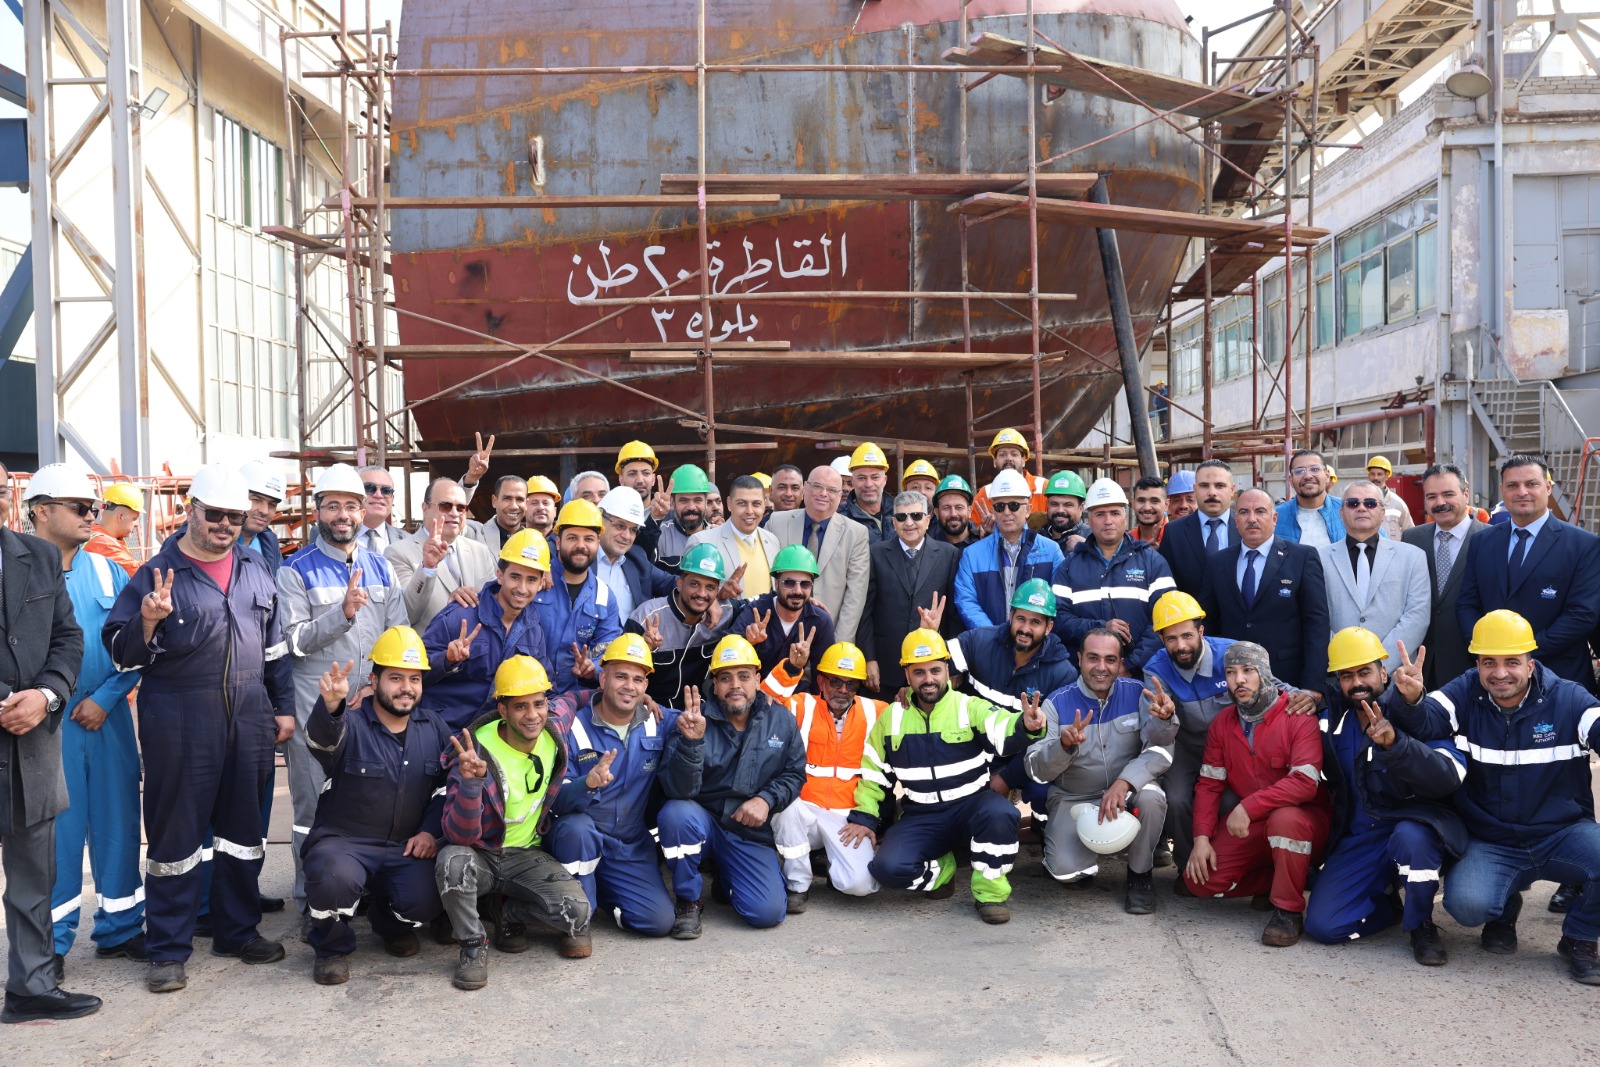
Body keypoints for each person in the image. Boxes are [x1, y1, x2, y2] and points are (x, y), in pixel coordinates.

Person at [104, 465, 296, 993]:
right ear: (191, 510)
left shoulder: (256, 569)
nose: (225, 525)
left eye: (234, 516)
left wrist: (282, 707)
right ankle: (168, 949)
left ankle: (237, 931)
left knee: (243, 835)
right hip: (181, 721)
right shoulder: (156, 574)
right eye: (215, 514)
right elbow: (121, 654)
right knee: (176, 838)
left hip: (250, 716)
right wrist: (147, 620)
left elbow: (276, 649)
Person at [1385, 612, 1600, 985]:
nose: (1500, 673)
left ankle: (1579, 937)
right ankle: (1505, 906)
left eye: (1511, 662)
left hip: (1561, 834)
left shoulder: (1568, 698)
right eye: (1489, 662)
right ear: (1477, 664)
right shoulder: (1465, 691)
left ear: (1530, 664)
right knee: (1467, 906)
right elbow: (1425, 722)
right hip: (1492, 840)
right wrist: (1412, 698)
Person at [25, 469, 146, 978]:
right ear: (41, 510)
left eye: (93, 508)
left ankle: (121, 928)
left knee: (119, 823)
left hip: (107, 717)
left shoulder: (109, 572)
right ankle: (49, 945)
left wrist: (107, 698)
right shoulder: (16, 572)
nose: (91, 516)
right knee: (58, 836)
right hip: (46, 726)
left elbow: (139, 644)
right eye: (79, 507)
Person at [277, 463, 410, 923]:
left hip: (369, 710)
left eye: (351, 506)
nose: (342, 515)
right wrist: (343, 614)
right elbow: (294, 640)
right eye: (332, 505)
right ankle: (311, 902)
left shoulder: (381, 567)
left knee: (367, 803)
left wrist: (375, 685)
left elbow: (398, 636)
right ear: (317, 511)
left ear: (362, 511)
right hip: (315, 711)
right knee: (311, 809)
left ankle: (361, 895)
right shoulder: (294, 570)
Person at [843, 629, 1046, 924]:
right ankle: (943, 871)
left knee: (1002, 814)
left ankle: (990, 894)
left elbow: (1002, 727)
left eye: (935, 670)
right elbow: (874, 773)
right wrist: (864, 817)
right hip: (921, 815)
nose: (928, 679)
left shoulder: (968, 706)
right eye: (919, 672)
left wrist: (1026, 725)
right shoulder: (891, 718)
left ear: (947, 670)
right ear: (907, 675)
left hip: (972, 807)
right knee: (887, 869)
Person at [0, 463, 100, 1024]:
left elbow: (68, 637)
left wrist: (45, 695)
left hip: (32, 744)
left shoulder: (37, 557)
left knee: (33, 879)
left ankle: (31, 987)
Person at [1301, 628, 1465, 965]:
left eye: (1364, 672)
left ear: (1383, 673)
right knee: (1323, 927)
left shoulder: (1416, 712)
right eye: (1346, 676)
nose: (1357, 682)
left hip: (1414, 827)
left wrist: (1396, 745)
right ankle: (1389, 905)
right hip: (1362, 837)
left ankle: (1421, 925)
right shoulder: (1333, 723)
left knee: (1411, 838)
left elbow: (1447, 778)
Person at [299, 629, 450, 986]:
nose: (406, 688)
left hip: (404, 846)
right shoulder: (349, 723)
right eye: (395, 678)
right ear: (374, 679)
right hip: (345, 843)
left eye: (414, 679)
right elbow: (322, 742)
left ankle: (389, 923)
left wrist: (429, 831)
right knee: (333, 878)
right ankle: (331, 948)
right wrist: (331, 706)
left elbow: (445, 789)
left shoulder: (434, 728)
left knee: (427, 898)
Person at [437, 656, 592, 988]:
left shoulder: (554, 727)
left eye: (539, 703)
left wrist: (638, 697)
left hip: (525, 854)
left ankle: (507, 912)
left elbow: (576, 697)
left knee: (578, 913)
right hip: (481, 853)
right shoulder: (475, 753)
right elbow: (458, 836)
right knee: (452, 862)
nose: (532, 715)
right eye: (520, 706)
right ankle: (473, 945)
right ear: (503, 710)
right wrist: (471, 785)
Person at [1183, 642, 1334, 947]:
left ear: (1264, 673)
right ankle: (1282, 879)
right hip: (1254, 824)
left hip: (1304, 820)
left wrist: (1248, 807)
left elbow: (1304, 783)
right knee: (1199, 881)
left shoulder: (1297, 715)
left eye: (1248, 671)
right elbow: (1209, 784)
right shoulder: (1222, 723)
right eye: (1230, 672)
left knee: (1285, 820)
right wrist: (1201, 839)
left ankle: (1287, 911)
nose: (1238, 679)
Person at [657, 636, 808, 937]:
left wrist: (766, 799)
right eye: (725, 678)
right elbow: (678, 791)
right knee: (676, 814)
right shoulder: (694, 720)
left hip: (747, 830)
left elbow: (794, 773)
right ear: (714, 685)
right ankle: (688, 899)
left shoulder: (781, 720)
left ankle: (726, 876)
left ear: (758, 680)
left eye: (744, 676)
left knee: (766, 914)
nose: (735, 685)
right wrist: (691, 743)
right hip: (703, 823)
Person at [1025, 630, 1178, 913]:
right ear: (1079, 659)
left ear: (1120, 663)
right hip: (1075, 799)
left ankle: (1140, 875)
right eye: (1093, 658)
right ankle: (1074, 850)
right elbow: (1036, 770)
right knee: (1065, 871)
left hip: (1127, 794)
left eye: (1110, 659)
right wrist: (1062, 746)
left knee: (1152, 797)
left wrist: (1126, 781)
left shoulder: (1139, 693)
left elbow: (1161, 750)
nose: (1101, 667)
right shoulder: (1056, 703)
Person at [547, 634, 679, 938]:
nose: (629, 686)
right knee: (577, 828)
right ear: (603, 678)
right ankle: (577, 919)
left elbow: (706, 723)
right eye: (620, 676)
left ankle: (603, 892)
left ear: (646, 687)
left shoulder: (658, 721)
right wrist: (587, 784)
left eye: (637, 679)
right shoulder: (572, 725)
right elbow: (556, 800)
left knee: (659, 922)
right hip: (578, 840)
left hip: (628, 847)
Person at [1456, 454, 1600, 692]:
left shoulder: (1583, 545)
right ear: (1503, 490)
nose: (1522, 492)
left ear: (1548, 487)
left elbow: (1582, 615)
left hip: (1559, 680)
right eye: (1513, 485)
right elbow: (1467, 604)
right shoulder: (1482, 541)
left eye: (1531, 484)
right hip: (1494, 680)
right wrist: (1488, 652)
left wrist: (1519, 654)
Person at [762, 638, 884, 910]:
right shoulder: (802, 706)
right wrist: (791, 668)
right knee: (785, 808)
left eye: (851, 684)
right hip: (803, 810)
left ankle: (832, 865)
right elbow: (764, 700)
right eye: (835, 681)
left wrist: (906, 695)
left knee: (860, 885)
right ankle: (797, 885)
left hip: (846, 817)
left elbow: (910, 712)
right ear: (821, 682)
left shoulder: (874, 711)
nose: (843, 690)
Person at [1198, 487, 1330, 691]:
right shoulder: (1218, 562)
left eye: (1260, 511)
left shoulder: (1302, 558)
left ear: (1274, 518)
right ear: (1235, 520)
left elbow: (1317, 624)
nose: (1252, 519)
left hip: (1288, 680)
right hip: (1233, 681)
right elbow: (1208, 622)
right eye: (1244, 512)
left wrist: (1313, 686)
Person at [423, 530, 554, 731]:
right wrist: (446, 660)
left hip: (492, 736)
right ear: (500, 576)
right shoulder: (460, 616)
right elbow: (414, 673)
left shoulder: (533, 631)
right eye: (515, 577)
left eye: (531, 580)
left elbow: (544, 685)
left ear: (541, 583)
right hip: (442, 731)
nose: (522, 588)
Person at [1051, 478, 1175, 673]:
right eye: (1100, 514)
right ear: (1089, 519)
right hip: (1086, 675)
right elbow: (1057, 620)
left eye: (1115, 513)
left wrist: (1130, 665)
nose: (1108, 521)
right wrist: (1100, 627)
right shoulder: (1070, 566)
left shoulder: (1152, 562)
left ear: (1125, 516)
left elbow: (1167, 618)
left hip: (1141, 675)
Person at [1316, 480, 1431, 671]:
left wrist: (1379, 666)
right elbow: (1316, 617)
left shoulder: (1413, 557)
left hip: (1395, 673)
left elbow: (1417, 616)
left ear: (1382, 513)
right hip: (1339, 671)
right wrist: (1347, 663)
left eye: (1370, 503)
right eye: (1353, 503)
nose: (1361, 508)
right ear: (1341, 514)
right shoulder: (1319, 558)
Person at [860, 492, 959, 697]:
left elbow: (954, 615)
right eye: (901, 517)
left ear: (928, 520)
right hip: (885, 669)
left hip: (931, 668)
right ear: (893, 522)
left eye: (916, 515)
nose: (909, 523)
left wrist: (954, 664)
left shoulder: (949, 554)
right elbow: (865, 611)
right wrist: (869, 659)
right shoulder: (875, 553)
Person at [1401, 462, 1486, 688]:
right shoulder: (1411, 538)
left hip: (1472, 662)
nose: (1440, 502)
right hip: (1422, 666)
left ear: (1466, 494)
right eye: (1432, 496)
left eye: (1448, 494)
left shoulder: (1491, 539)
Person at [765, 465, 871, 644]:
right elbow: (767, 579)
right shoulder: (776, 522)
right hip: (777, 633)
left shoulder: (856, 533)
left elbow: (855, 595)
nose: (823, 493)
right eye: (817, 486)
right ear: (805, 488)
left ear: (840, 495)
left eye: (831, 490)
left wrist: (839, 646)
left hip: (828, 635)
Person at [626, 544, 740, 706]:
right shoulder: (646, 617)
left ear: (717, 592)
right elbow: (620, 672)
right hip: (650, 708)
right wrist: (644, 649)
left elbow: (764, 604)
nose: (701, 593)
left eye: (710, 587)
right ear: (679, 584)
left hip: (698, 710)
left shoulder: (726, 613)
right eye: (694, 584)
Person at [953, 470, 1064, 632]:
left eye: (1014, 505)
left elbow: (1059, 601)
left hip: (1035, 643)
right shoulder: (972, 555)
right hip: (989, 642)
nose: (1006, 512)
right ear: (993, 511)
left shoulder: (1051, 551)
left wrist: (1032, 634)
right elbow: (966, 601)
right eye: (999, 506)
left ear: (1028, 510)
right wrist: (993, 636)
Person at [532, 499, 623, 695]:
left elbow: (608, 651)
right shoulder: (534, 579)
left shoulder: (604, 596)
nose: (581, 546)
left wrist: (593, 668)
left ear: (598, 544)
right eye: (572, 538)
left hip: (575, 698)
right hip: (528, 692)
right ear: (558, 542)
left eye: (589, 539)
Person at [384, 478, 497, 629]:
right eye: (446, 506)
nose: (454, 513)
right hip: (427, 644)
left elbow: (494, 607)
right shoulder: (397, 552)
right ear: (425, 508)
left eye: (461, 508)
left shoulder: (480, 550)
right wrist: (427, 568)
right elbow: (406, 614)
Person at [730, 545, 836, 679]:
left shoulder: (821, 621)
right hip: (752, 690)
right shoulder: (755, 612)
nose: (797, 591)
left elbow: (823, 680)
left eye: (805, 584)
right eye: (789, 583)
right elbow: (725, 657)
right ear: (776, 584)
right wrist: (748, 643)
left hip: (793, 690)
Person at [685, 475, 778, 596]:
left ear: (764, 505)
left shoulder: (772, 541)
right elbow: (689, 595)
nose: (749, 511)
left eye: (756, 504)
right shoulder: (702, 543)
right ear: (729, 504)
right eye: (742, 503)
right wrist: (720, 595)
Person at [593, 486, 673, 623]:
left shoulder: (636, 558)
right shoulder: (582, 557)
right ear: (600, 520)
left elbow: (674, 583)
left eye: (633, 530)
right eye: (620, 526)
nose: (626, 536)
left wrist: (708, 597)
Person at [1158, 459, 1237, 596]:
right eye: (1204, 486)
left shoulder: (1247, 528)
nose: (1212, 492)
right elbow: (1166, 587)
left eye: (1219, 486)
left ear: (1232, 490)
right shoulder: (1174, 533)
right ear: (1195, 489)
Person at [968, 428, 1048, 531]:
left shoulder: (1043, 488)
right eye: (1002, 454)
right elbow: (972, 530)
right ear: (994, 461)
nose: (1008, 458)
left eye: (1014, 454)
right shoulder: (985, 494)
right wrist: (986, 530)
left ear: (1023, 460)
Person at [1275, 449, 1344, 547]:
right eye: (1299, 471)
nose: (1307, 476)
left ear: (1327, 476)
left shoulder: (1347, 510)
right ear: (1291, 480)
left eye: (1315, 469)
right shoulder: (1276, 516)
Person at [649, 464, 713, 569]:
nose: (691, 507)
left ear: (706, 502)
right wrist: (654, 519)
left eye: (698, 500)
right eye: (684, 500)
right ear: (672, 502)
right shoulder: (659, 534)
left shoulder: (717, 536)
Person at [237, 460, 287, 574]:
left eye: (272, 505)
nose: (265, 511)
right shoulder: (216, 541)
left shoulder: (269, 542)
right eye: (256, 500)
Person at [839, 442, 892, 542]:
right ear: (853, 481)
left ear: (885, 480)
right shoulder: (841, 522)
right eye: (862, 478)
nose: (868, 484)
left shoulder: (901, 514)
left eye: (875, 477)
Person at [86, 482, 143, 576]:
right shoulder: (102, 543)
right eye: (134, 519)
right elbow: (137, 572)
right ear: (120, 517)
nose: (137, 524)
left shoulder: (95, 534)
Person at [463, 475, 528, 553]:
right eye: (507, 499)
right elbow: (455, 527)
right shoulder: (475, 533)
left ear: (526, 503)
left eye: (520, 499)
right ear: (494, 501)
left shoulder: (534, 540)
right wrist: (469, 481)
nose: (514, 506)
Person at [353, 466, 405, 555]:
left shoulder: (407, 541)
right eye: (369, 488)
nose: (378, 495)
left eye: (386, 490)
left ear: (392, 498)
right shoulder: (331, 539)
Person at [928, 474, 983, 552]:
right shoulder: (927, 546)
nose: (953, 514)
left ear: (969, 511)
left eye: (959, 507)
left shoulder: (983, 542)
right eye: (946, 508)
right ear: (937, 513)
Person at [1364, 456, 1415, 539]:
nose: (1375, 478)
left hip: (1392, 547)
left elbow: (1410, 532)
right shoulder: (1360, 501)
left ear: (1387, 476)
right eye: (1372, 474)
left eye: (1379, 474)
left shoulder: (1398, 503)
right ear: (1368, 475)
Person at [1039, 470, 1089, 551]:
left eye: (1068, 505)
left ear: (1081, 508)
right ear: (1047, 505)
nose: (1060, 510)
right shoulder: (1036, 539)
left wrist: (1088, 549)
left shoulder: (1093, 538)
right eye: (1054, 504)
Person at [1129, 475, 1168, 546]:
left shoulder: (1176, 537)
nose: (1147, 508)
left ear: (1166, 505)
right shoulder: (1127, 540)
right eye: (1141, 501)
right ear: (1133, 504)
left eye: (1154, 501)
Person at [523, 476, 563, 540]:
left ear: (555, 511)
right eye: (534, 503)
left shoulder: (564, 542)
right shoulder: (513, 540)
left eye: (545, 503)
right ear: (524, 509)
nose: (541, 507)